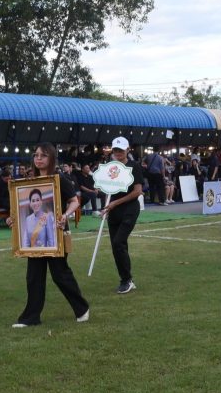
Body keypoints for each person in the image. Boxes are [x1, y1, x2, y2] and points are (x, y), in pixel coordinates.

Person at [8, 142, 89, 327]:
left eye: (43, 155)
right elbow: (19, 210)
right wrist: (13, 220)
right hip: (35, 241)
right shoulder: (30, 181)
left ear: (51, 158)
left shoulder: (59, 179)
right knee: (33, 277)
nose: (38, 159)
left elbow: (74, 201)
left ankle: (82, 309)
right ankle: (31, 317)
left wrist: (65, 215)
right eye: (36, 155)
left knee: (60, 275)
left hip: (56, 234)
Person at [101, 137, 143, 294]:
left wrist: (115, 203)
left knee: (118, 242)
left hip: (129, 209)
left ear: (127, 150)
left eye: (121, 150)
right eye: (115, 150)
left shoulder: (134, 166)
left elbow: (137, 191)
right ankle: (126, 279)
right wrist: (107, 205)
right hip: (114, 211)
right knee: (117, 246)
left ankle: (127, 280)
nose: (118, 152)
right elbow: (107, 189)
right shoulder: (110, 167)